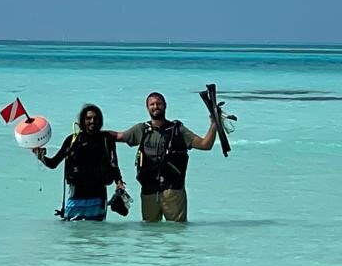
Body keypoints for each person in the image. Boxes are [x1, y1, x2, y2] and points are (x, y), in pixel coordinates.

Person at [113, 91, 216, 222]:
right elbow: (118, 136)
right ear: (147, 107)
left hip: (173, 191)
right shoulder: (141, 129)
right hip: (149, 191)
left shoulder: (178, 130)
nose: (156, 106)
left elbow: (205, 144)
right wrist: (93, 131)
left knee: (175, 234)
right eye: (152, 104)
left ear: (165, 106)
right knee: (150, 234)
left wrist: (214, 124)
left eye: (159, 103)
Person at [33, 103, 125, 221]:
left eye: (96, 118)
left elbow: (113, 164)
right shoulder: (72, 140)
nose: (92, 121)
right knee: (74, 235)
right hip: (76, 194)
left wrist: (119, 182)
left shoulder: (106, 139)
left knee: (97, 235)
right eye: (89, 118)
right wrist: (40, 155)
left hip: (98, 196)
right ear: (83, 120)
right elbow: (53, 163)